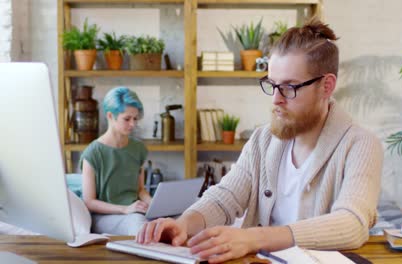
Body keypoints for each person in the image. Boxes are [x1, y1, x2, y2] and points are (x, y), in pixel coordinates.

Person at [137, 19, 383, 263]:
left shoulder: (360, 144)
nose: (276, 98)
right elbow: (225, 197)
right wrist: (183, 224)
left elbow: (352, 224)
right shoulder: (262, 140)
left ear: (326, 86)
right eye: (271, 84)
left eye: (289, 87)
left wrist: (253, 238)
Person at [80, 87, 151, 235]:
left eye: (135, 118)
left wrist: (154, 205)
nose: (133, 124)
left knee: (176, 219)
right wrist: (125, 209)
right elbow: (89, 201)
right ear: (110, 116)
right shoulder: (93, 153)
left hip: (134, 213)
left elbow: (140, 190)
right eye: (127, 119)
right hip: (105, 216)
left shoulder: (138, 149)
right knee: (140, 225)